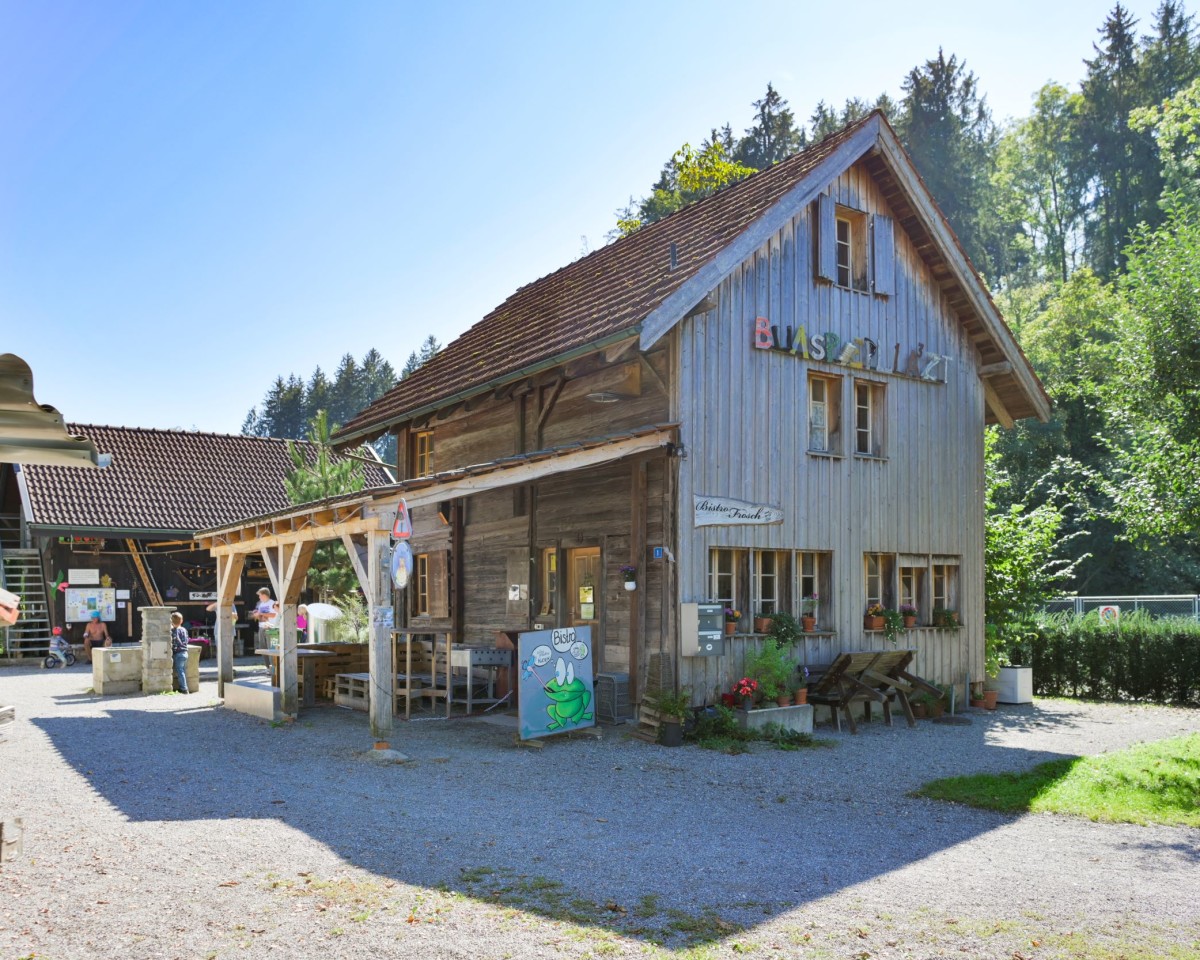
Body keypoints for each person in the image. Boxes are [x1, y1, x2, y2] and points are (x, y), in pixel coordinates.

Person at [170, 612, 190, 694]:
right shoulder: (184, 630)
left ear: (171, 621)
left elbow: (173, 641)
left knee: (180, 671)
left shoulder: (174, 631)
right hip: (185, 652)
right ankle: (185, 686)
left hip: (178, 653)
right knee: (183, 670)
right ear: (181, 621)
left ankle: (184, 689)